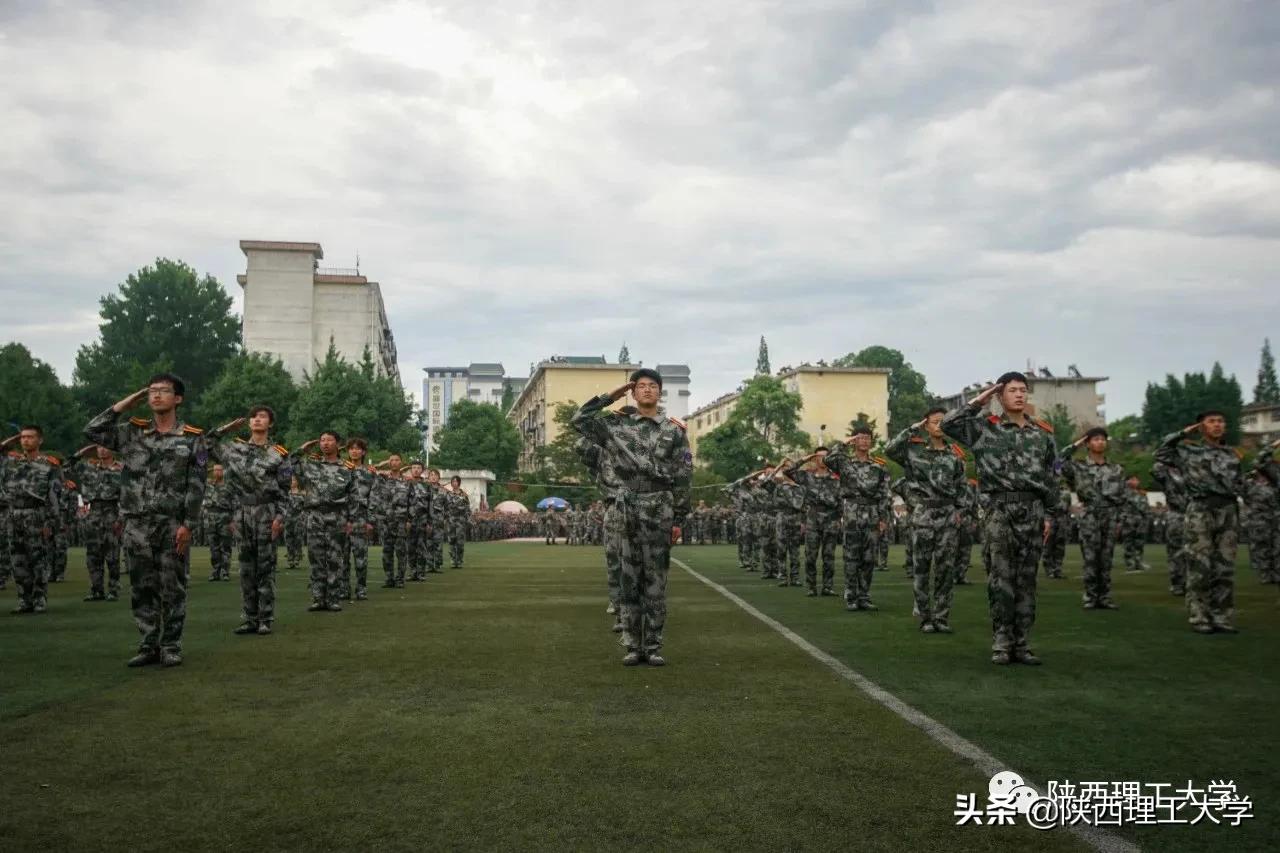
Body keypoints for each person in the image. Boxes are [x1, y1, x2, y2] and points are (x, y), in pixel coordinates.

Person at [84, 375, 209, 667]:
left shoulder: (192, 437)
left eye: (164, 391)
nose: (156, 396)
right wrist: (130, 401)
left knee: (172, 586)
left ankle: (171, 644)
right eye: (152, 392)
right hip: (137, 523)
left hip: (170, 523)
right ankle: (148, 642)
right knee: (142, 586)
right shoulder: (132, 433)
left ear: (178, 399)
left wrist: (188, 524)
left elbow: (197, 485)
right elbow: (92, 430)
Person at [572, 368, 691, 666]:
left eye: (653, 386)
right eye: (641, 386)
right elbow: (580, 421)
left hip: (660, 504)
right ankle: (632, 645)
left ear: (660, 393)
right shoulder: (616, 425)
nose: (647, 390)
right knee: (629, 577)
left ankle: (652, 645)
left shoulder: (674, 431)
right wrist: (610, 396)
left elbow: (684, 476)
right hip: (628, 504)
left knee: (656, 579)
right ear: (633, 392)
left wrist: (679, 519)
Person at [942, 373, 1058, 665]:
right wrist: (980, 400)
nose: (1019, 395)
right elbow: (948, 425)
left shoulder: (1043, 433)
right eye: (1012, 390)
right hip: (1000, 511)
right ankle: (1001, 641)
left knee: (1027, 580)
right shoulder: (984, 428)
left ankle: (1023, 643)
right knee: (1001, 579)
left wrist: (1050, 513)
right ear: (1000, 395)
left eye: (1023, 390)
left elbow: (1052, 476)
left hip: (1032, 511)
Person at [1155, 411, 1245, 633]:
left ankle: (1221, 616)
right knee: (1199, 564)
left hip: (1227, 509)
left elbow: (1239, 481)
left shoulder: (1232, 454)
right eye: (1211, 421)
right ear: (1200, 426)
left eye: (1221, 421)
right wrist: (1184, 432)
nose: (1217, 425)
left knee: (1224, 566)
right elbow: (1162, 451)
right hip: (1200, 509)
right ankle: (1199, 616)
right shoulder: (1188, 450)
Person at [207, 407, 291, 635]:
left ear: (270, 424)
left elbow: (285, 492)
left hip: (266, 511)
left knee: (265, 567)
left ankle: (265, 618)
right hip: (242, 512)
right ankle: (250, 618)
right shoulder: (236, 449)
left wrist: (280, 518)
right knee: (245, 568)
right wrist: (225, 429)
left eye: (262, 417)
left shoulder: (279, 454)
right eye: (254, 417)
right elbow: (205, 445)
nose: (257, 420)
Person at [885, 407, 968, 633]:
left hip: (947, 515)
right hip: (923, 514)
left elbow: (962, 486)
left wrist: (959, 510)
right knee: (921, 568)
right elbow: (889, 449)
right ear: (927, 425)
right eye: (935, 422)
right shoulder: (914, 452)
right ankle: (925, 617)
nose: (939, 426)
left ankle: (941, 617)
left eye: (943, 422)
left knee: (945, 569)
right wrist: (913, 429)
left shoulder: (954, 456)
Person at [823, 424, 890, 612]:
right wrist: (843, 444)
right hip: (852, 510)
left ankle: (864, 596)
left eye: (868, 438)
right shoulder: (845, 462)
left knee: (868, 559)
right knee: (851, 556)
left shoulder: (878, 466)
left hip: (872, 512)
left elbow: (884, 494)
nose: (865, 441)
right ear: (854, 441)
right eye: (860, 437)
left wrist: (883, 518)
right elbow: (828, 459)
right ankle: (851, 596)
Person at [1059, 427, 1126, 610]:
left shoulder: (1116, 469)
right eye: (1095, 439)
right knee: (1090, 557)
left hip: (1110, 514)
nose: (1100, 442)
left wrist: (1120, 520)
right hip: (1089, 513)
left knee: (1106, 558)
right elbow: (1057, 462)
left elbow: (1122, 496)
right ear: (1088, 444)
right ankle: (1090, 595)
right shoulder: (1078, 466)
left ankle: (1104, 596)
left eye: (1103, 439)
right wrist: (1076, 444)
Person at [291, 430, 355, 612]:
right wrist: (301, 449)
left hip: (337, 516)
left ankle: (333, 598)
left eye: (329, 440)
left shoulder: (347, 468)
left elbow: (353, 496)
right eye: (322, 440)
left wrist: (350, 520)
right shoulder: (311, 465)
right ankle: (318, 598)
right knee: (316, 557)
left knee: (334, 559)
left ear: (338, 444)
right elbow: (291, 463)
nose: (325, 443)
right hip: (315, 515)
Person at [1, 426, 63, 614]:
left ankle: (39, 599)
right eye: (23, 437)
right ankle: (24, 600)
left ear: (40, 440)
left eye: (30, 437)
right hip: (13, 515)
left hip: (36, 515)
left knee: (38, 560)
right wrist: (9, 441)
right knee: (17, 560)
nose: (25, 440)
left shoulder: (49, 464)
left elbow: (54, 496)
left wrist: (50, 523)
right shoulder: (11, 461)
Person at [786, 447, 841, 597]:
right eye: (819, 457)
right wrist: (806, 458)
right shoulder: (807, 477)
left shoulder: (836, 478)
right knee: (810, 555)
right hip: (813, 518)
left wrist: (839, 519)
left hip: (831, 519)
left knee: (829, 556)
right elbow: (788, 471)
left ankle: (827, 587)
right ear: (815, 459)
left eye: (825, 457)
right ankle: (811, 586)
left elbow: (841, 500)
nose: (822, 459)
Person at [72, 444, 124, 602]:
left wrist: (120, 519)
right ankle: (96, 590)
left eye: (105, 446)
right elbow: (70, 464)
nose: (102, 450)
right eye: (99, 447)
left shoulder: (122, 469)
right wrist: (86, 449)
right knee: (93, 555)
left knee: (112, 555)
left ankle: (113, 589)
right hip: (93, 513)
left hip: (111, 512)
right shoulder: (90, 467)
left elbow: (128, 496)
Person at [343, 438, 376, 600]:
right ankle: (344, 589)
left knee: (360, 558)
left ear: (363, 452)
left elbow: (373, 498)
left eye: (358, 449)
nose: (354, 451)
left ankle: (361, 589)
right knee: (342, 557)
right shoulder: (341, 469)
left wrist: (371, 521)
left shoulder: (369, 473)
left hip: (361, 519)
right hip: (342, 519)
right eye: (351, 449)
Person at [202, 463, 234, 581]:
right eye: (215, 470)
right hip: (210, 519)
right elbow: (199, 474)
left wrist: (233, 521)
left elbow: (235, 504)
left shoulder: (229, 486)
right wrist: (209, 468)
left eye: (219, 470)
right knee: (213, 547)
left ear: (224, 472)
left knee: (225, 547)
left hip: (225, 518)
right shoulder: (208, 484)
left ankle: (225, 571)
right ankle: (215, 571)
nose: (217, 472)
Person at [1120, 476, 1151, 573]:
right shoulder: (1124, 492)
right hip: (1129, 520)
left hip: (1141, 520)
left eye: (1136, 479)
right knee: (1129, 543)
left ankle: (1139, 562)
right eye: (1132, 479)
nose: (1135, 481)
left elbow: (1146, 507)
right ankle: (1130, 563)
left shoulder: (1141, 493)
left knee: (1139, 543)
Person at [446, 475, 470, 568]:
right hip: (451, 520)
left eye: (456, 481)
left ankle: (459, 560)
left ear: (459, 483)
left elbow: (468, 508)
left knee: (460, 542)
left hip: (460, 520)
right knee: (451, 540)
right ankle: (453, 560)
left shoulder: (464, 495)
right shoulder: (448, 494)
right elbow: (446, 507)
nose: (454, 483)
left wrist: (467, 519)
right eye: (453, 481)